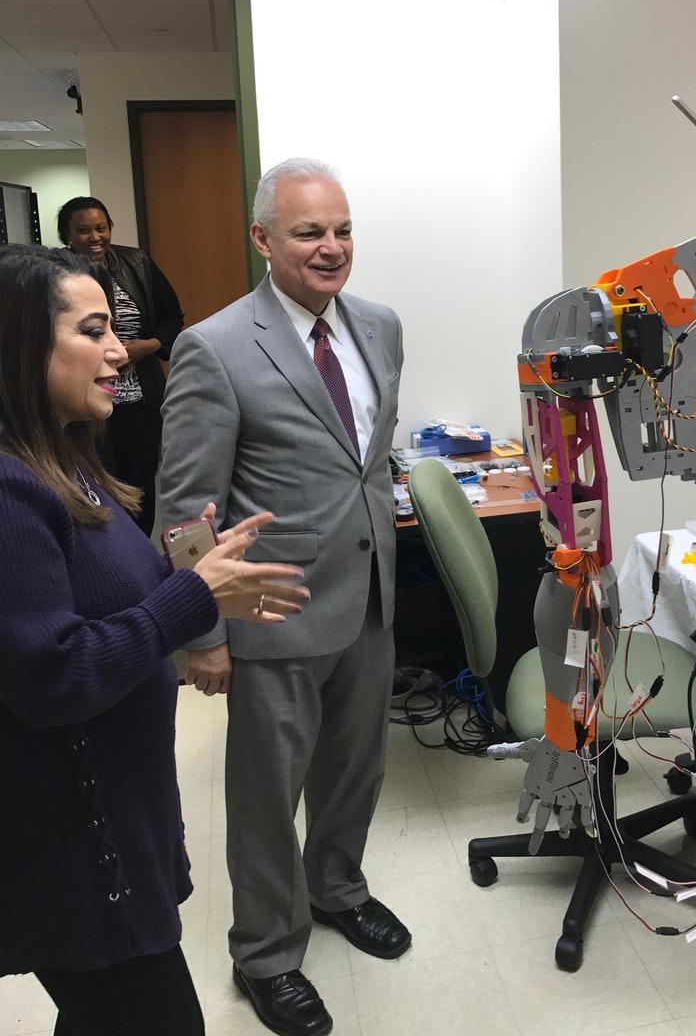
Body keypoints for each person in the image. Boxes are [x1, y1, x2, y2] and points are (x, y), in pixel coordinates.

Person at [0, 244, 309, 1036]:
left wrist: (193, 572)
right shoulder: (10, 493)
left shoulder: (66, 459)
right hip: (76, 850)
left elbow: (109, 595)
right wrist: (190, 600)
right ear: (21, 344)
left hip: (117, 816)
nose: (119, 351)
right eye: (91, 331)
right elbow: (56, 676)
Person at [159, 158, 408, 1036]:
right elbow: (186, 505)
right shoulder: (216, 346)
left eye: (342, 230)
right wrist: (202, 631)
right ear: (263, 239)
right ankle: (265, 953)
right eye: (309, 233)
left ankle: (337, 887)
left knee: (355, 769)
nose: (331, 247)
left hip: (369, 595)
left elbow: (364, 457)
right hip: (272, 609)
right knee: (268, 797)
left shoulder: (380, 327)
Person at [58, 195, 185, 536]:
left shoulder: (136, 262)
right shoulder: (57, 274)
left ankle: (140, 551)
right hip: (88, 405)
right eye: (84, 230)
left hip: (140, 400)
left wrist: (151, 346)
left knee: (142, 484)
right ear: (67, 234)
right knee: (97, 485)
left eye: (101, 228)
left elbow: (173, 317)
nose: (95, 237)